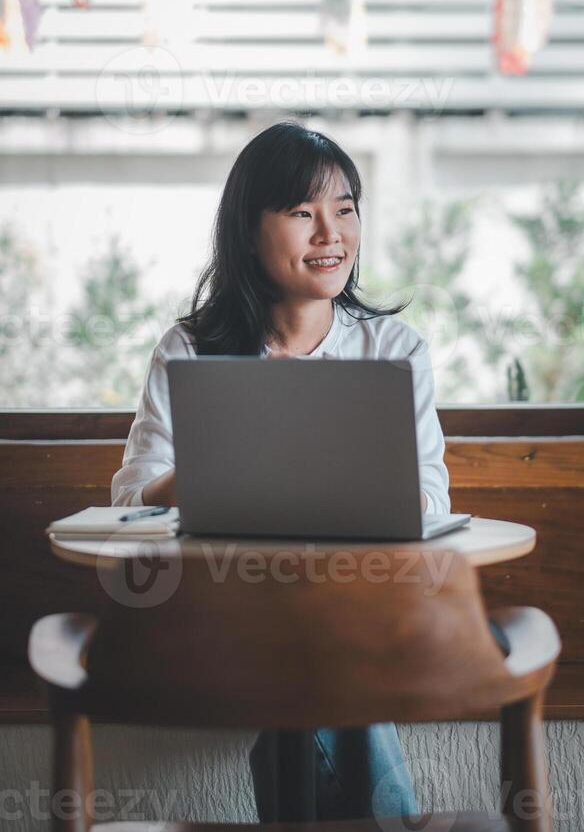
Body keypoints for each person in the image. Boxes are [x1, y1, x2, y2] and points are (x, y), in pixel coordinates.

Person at [110, 120, 453, 821]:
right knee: (325, 674)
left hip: (362, 610)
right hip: (229, 610)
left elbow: (429, 494)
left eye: (345, 209)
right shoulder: (191, 348)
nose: (331, 234)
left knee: (321, 668)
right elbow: (132, 491)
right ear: (247, 231)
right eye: (302, 213)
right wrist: (233, 470)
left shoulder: (393, 348)